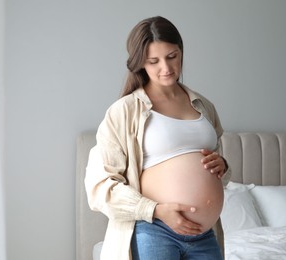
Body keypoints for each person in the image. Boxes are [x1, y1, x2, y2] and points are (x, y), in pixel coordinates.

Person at [85, 16, 231, 260]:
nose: (166, 68)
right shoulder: (124, 111)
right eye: (154, 61)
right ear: (141, 63)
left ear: (181, 51)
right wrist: (156, 210)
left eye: (172, 56)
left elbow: (210, 173)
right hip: (155, 231)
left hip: (204, 236)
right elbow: (100, 187)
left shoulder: (204, 106)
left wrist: (223, 166)